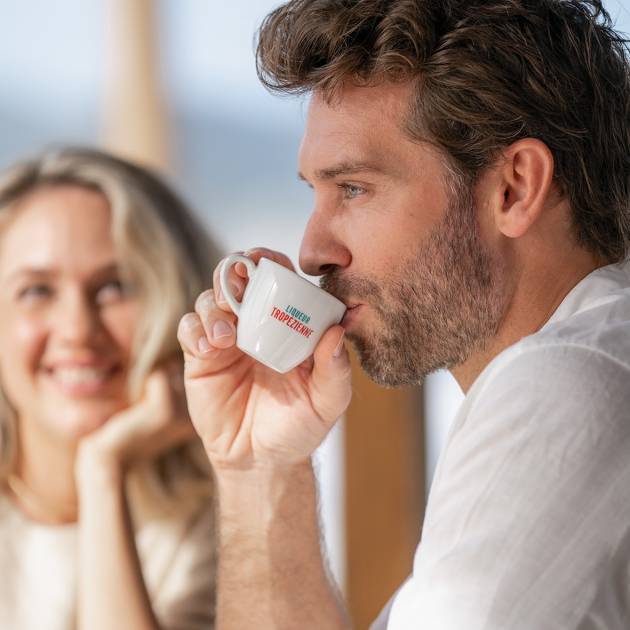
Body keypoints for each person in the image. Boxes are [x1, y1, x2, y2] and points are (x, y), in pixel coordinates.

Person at [178, 1, 630, 629]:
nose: (311, 251)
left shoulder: (567, 380)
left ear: (514, 188)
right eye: (315, 192)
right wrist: (262, 466)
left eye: (354, 188)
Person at [0, 147, 220, 630]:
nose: (77, 330)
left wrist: (102, 469)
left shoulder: (223, 523)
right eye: (36, 290)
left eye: (116, 286)